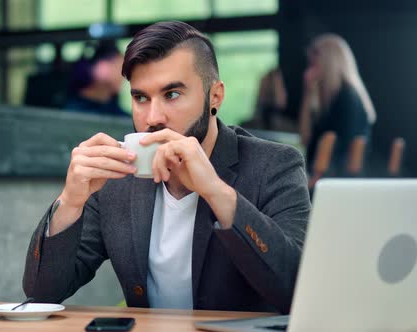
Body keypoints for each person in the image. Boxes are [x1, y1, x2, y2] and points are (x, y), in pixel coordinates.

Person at [23, 21, 310, 314]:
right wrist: (70, 202)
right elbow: (42, 293)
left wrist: (215, 191)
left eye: (171, 94)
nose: (153, 117)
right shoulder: (118, 177)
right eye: (140, 98)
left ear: (215, 97)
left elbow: (295, 290)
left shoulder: (275, 166)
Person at [299, 34, 376, 174]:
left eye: (314, 64)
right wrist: (308, 94)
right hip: (327, 176)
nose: (310, 71)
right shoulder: (331, 99)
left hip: (333, 179)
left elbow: (342, 155)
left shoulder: (347, 98)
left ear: (328, 64)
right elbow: (305, 138)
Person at [66, 40, 128, 116]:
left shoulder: (114, 111)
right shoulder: (74, 113)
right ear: (102, 68)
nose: (124, 77)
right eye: (119, 68)